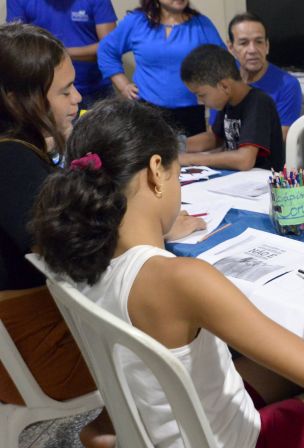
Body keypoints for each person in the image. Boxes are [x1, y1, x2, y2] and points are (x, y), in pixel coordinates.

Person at [30, 97, 304, 448]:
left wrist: (160, 231)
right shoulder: (183, 279)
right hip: (226, 440)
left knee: (269, 368)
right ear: (156, 171)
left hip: (159, 424)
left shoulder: (75, 255)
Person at [0, 22, 114, 448]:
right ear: (18, 99)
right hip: (34, 353)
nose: (78, 97)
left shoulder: (20, 147)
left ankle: (107, 429)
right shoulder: (11, 159)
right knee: (177, 329)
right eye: (65, 91)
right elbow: (74, 253)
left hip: (25, 332)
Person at [97, 0, 225, 136]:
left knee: (189, 156)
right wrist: (123, 86)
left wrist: (215, 115)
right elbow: (106, 50)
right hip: (146, 112)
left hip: (190, 113)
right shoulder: (137, 21)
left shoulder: (201, 25)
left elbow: (223, 67)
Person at [180, 44, 284, 171]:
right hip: (236, 178)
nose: (200, 101)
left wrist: (191, 159)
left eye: (202, 95)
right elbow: (214, 138)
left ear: (224, 86)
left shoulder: (259, 103)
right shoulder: (228, 101)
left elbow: (244, 160)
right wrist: (175, 146)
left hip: (262, 181)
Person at [6, 0, 118, 110]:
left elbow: (110, 49)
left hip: (96, 88)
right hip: (45, 92)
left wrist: (59, 53)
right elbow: (17, 48)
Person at [211, 12, 302, 141]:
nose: (252, 50)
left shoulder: (287, 85)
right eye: (243, 43)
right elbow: (214, 136)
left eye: (259, 42)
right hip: (225, 156)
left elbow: (277, 140)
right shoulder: (222, 81)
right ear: (230, 47)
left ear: (267, 46)